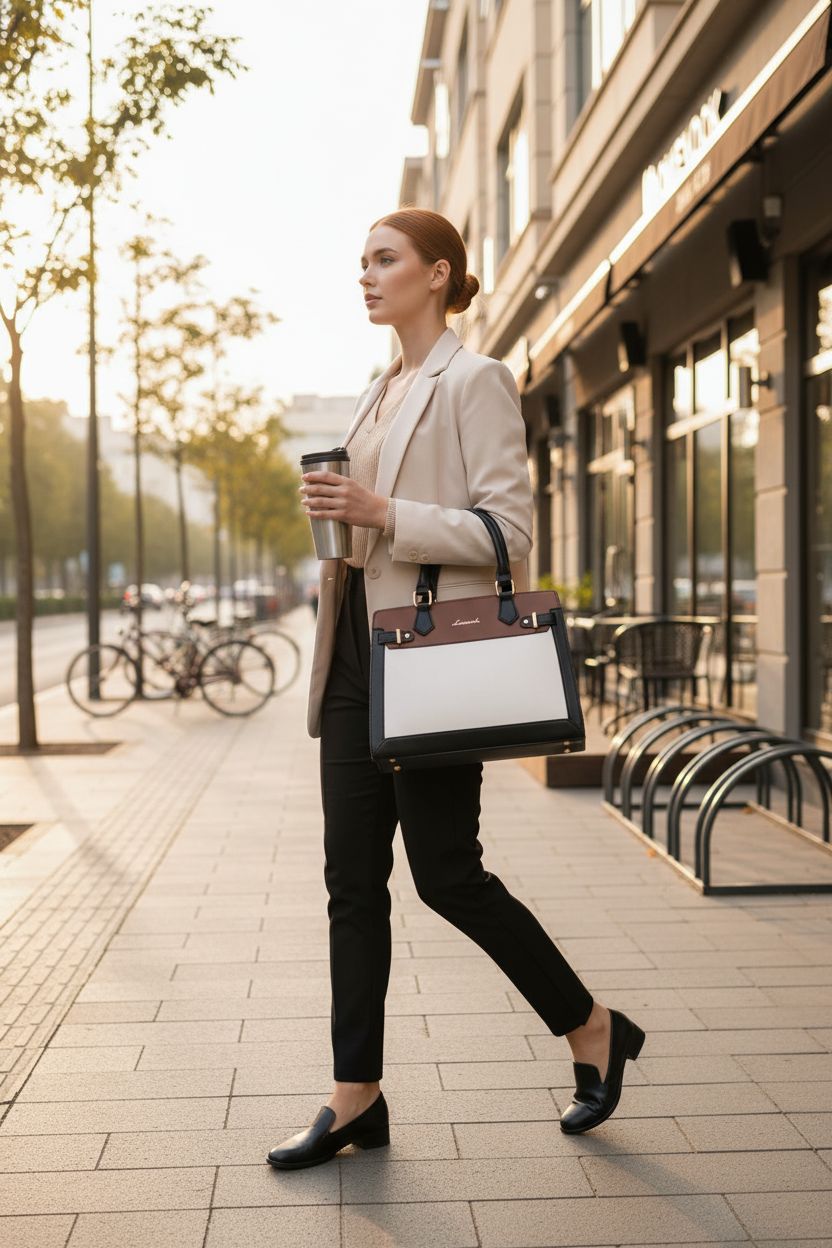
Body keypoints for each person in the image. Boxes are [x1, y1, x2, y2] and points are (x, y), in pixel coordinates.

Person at [267, 208, 645, 1171]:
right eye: (360, 261)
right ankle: (356, 1096)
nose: (366, 275)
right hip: (354, 656)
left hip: (427, 666)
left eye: (384, 259)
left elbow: (509, 535)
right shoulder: (375, 392)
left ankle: (592, 1026)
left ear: (438, 274)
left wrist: (384, 511)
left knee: (447, 877)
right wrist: (342, 520)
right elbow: (372, 529)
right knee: (350, 883)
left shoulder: (475, 381)